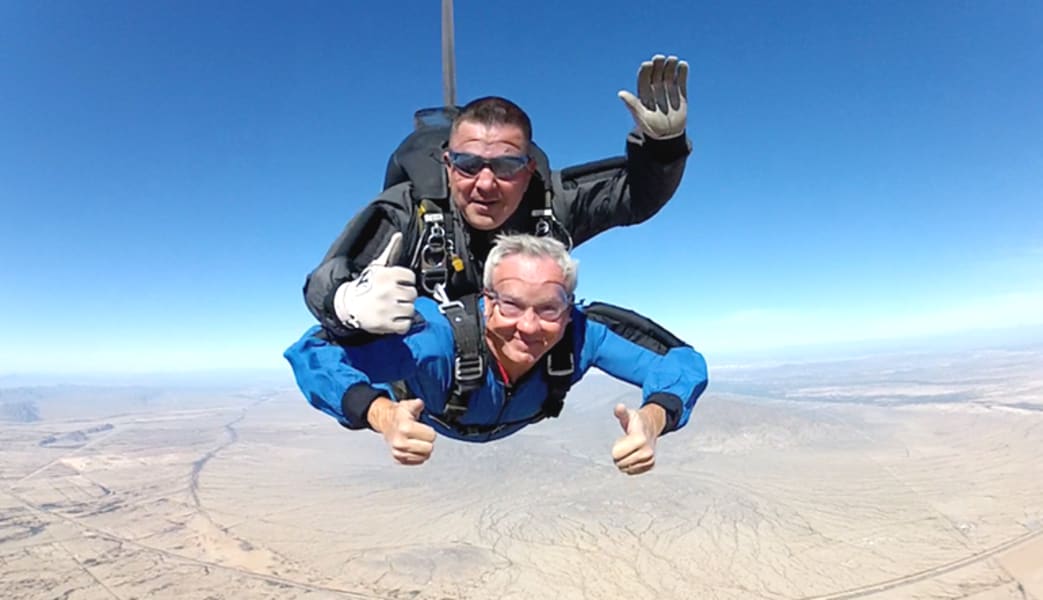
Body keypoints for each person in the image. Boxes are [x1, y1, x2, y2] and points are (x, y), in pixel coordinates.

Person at [305, 54, 691, 339]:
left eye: (505, 167)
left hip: (522, 378)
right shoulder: (409, 212)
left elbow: (633, 197)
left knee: (603, 325)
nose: (485, 183)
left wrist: (663, 148)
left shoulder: (551, 203)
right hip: (429, 379)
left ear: (528, 170)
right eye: (468, 164)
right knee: (320, 345)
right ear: (447, 164)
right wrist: (347, 303)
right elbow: (328, 277)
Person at [285, 234, 708, 475]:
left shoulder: (582, 334)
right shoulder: (433, 339)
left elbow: (681, 363)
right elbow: (313, 353)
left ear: (569, 307)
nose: (528, 326)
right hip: (433, 411)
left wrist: (654, 420)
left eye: (548, 308)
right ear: (486, 300)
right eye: (510, 305)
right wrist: (380, 413)